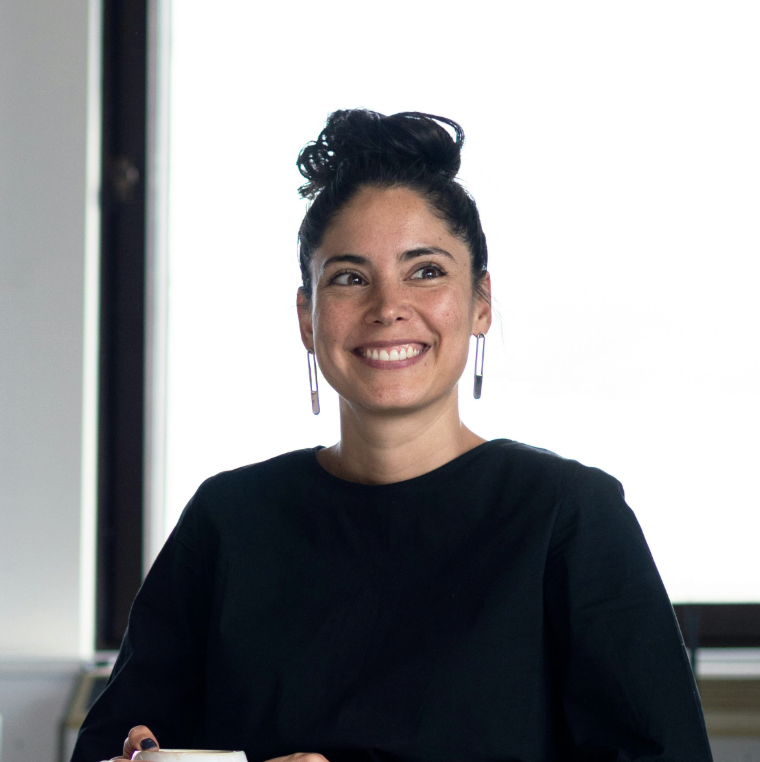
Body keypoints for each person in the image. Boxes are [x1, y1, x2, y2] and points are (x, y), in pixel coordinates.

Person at [72, 109, 713, 762]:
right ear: (307, 318)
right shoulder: (227, 520)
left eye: (425, 271)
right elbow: (110, 747)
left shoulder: (568, 516)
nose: (387, 308)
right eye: (349, 278)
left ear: (481, 302)